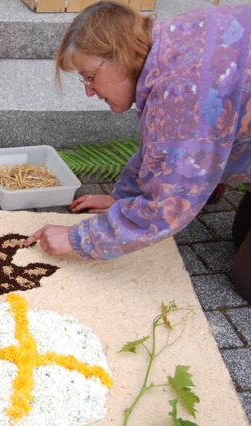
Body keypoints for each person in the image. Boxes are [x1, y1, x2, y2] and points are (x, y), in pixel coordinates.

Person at [24, 1, 251, 302]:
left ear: (121, 54)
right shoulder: (165, 45)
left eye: (90, 76)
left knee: (244, 280)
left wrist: (75, 238)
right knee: (237, 237)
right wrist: (124, 198)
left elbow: (168, 204)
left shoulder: (186, 91)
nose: (88, 91)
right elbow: (164, 144)